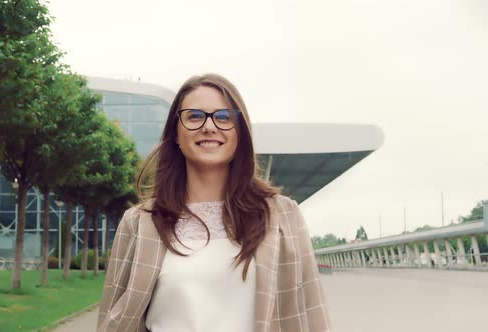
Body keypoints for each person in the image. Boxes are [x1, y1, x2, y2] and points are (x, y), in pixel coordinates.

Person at [97, 73, 331, 332]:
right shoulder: (140, 223)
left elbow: (312, 313)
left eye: (223, 117)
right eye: (195, 116)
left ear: (240, 133)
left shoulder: (284, 215)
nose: (209, 127)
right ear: (176, 132)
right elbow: (113, 318)